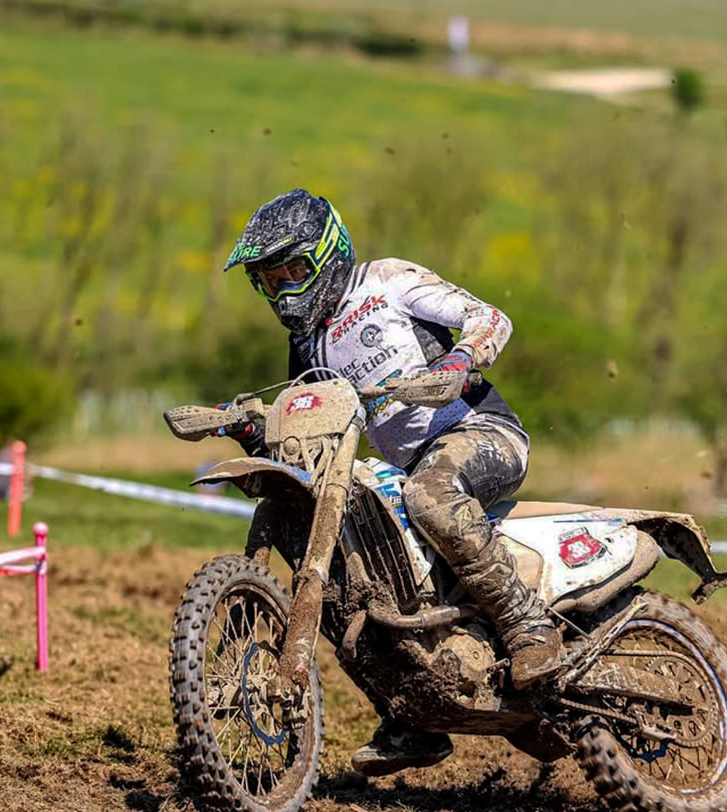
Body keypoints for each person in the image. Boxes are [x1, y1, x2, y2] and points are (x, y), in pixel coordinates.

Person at [221, 188, 562, 777]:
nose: (282, 291)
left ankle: (529, 627)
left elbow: (490, 317)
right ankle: (409, 714)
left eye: (292, 272)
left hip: (482, 431)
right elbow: (308, 442)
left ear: (327, 253)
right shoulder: (306, 346)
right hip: (402, 470)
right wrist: (256, 432)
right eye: (269, 281)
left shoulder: (387, 281)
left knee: (427, 494)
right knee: (336, 580)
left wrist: (459, 361)